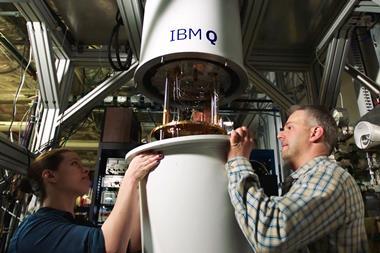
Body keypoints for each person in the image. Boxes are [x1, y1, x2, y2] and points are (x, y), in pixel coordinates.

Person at [226, 105, 368, 253]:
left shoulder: (328, 176)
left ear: (315, 133)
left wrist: (238, 161)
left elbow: (269, 236)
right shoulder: (306, 180)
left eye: (289, 128)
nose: (280, 135)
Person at [7, 148, 163, 253]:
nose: (86, 169)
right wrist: (131, 178)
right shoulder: (36, 230)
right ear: (50, 176)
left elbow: (131, 244)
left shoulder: (73, 223)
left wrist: (139, 187)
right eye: (74, 163)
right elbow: (110, 249)